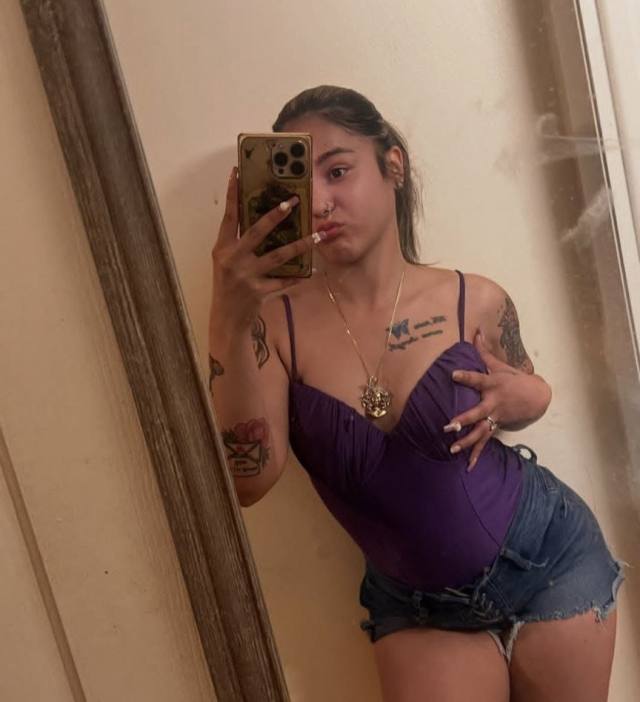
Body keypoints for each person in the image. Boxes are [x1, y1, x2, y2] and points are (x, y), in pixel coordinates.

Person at [208, 85, 626, 702]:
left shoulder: (474, 298)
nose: (320, 202)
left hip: (552, 558)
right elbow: (247, 481)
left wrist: (529, 398)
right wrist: (229, 312)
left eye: (338, 171)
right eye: (302, 183)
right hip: (419, 606)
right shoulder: (274, 327)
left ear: (393, 167)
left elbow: (525, 392)